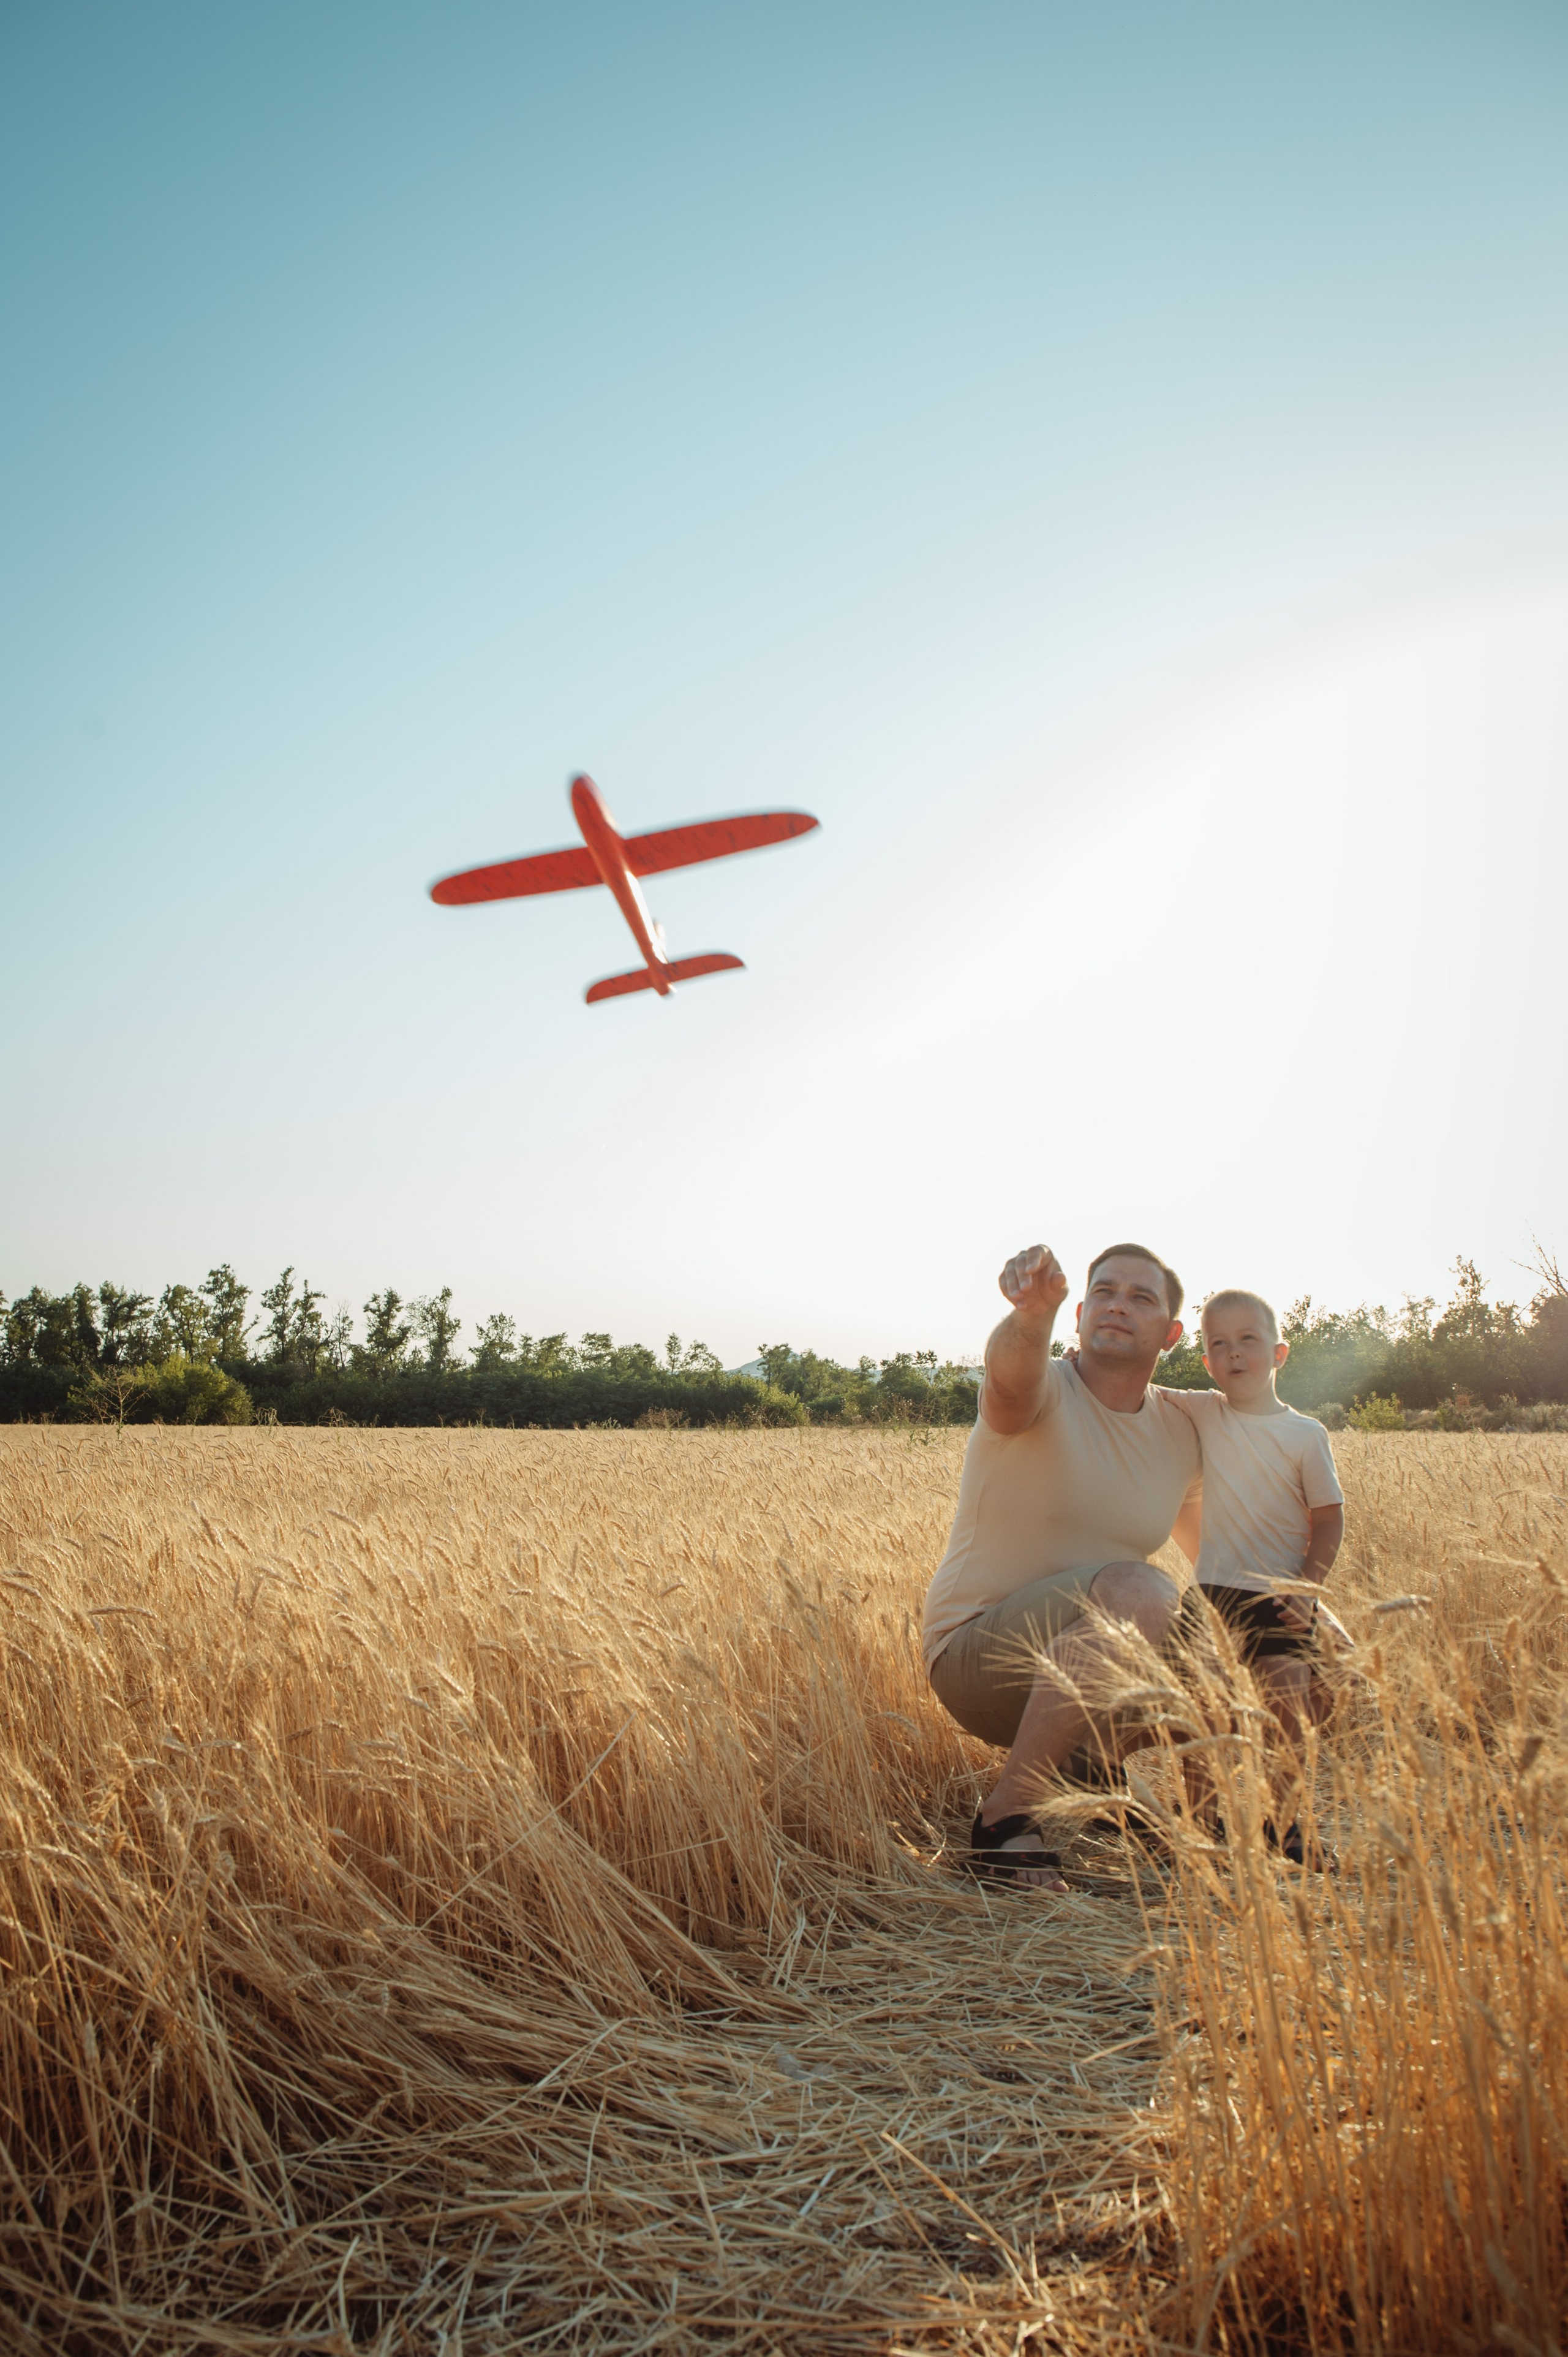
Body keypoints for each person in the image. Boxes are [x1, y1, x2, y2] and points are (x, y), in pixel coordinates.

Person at [924, 1240, 1203, 1888]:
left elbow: (1218, 1559)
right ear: (1077, 1313)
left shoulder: (1179, 1431)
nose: (1117, 1306)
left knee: (1246, 1638)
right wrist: (1030, 1314)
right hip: (975, 1654)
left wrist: (1299, 1622)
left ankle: (1175, 1814)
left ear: (1171, 1332)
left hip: (1083, 1662)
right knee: (1141, 1590)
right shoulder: (1043, 1388)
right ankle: (1005, 1818)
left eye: (1140, 1298)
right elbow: (1009, 1376)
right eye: (1103, 1291)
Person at [1161, 1289, 1345, 1866]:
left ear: (1279, 1352)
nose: (1235, 1353)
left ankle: (1285, 1824)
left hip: (1279, 1595)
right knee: (1204, 1706)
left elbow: (1329, 1519)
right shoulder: (1202, 1409)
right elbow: (1137, 1391)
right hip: (1213, 1591)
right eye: (1219, 1344)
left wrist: (1309, 1587)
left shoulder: (1304, 1434)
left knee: (1290, 1701)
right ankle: (1198, 1824)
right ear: (1207, 1361)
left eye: (1249, 1340)